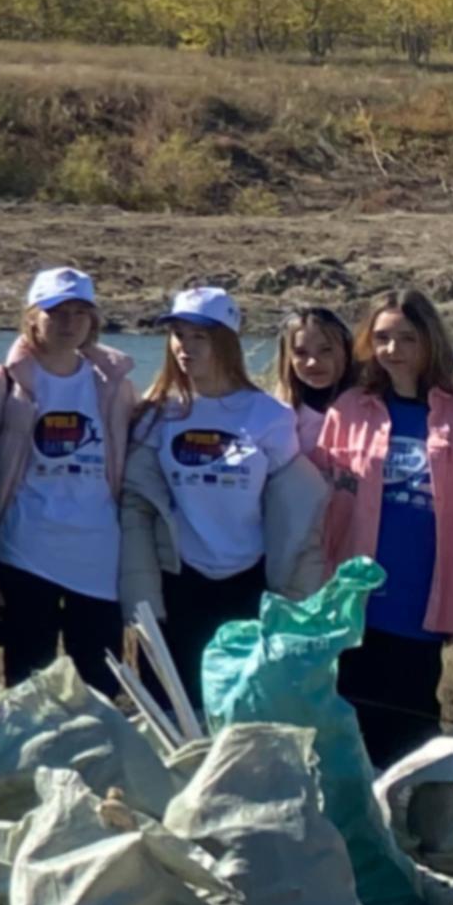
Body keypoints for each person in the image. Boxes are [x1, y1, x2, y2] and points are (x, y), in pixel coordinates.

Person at [315, 287, 453, 769]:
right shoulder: (351, 408)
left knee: (412, 730)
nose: (393, 350)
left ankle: (405, 832)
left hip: (424, 597)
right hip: (353, 600)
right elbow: (321, 505)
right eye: (382, 338)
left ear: (430, 341)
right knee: (348, 724)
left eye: (406, 338)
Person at [120, 285, 327, 698]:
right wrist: (140, 597)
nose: (185, 347)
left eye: (200, 336)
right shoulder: (157, 414)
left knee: (240, 705)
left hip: (247, 581)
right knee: (173, 706)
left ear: (227, 342)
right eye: (179, 334)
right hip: (179, 580)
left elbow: (292, 507)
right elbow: (138, 507)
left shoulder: (269, 415)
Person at [0, 267, 135, 692]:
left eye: (80, 312)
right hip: (24, 554)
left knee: (101, 685)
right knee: (28, 686)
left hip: (98, 559)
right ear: (32, 317)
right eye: (56, 312)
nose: (68, 323)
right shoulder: (1, 384)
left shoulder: (115, 385)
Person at [279, 302, 359, 448]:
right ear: (288, 359)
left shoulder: (372, 407)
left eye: (326, 350)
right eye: (301, 353)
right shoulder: (276, 415)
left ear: (346, 350)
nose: (312, 362)